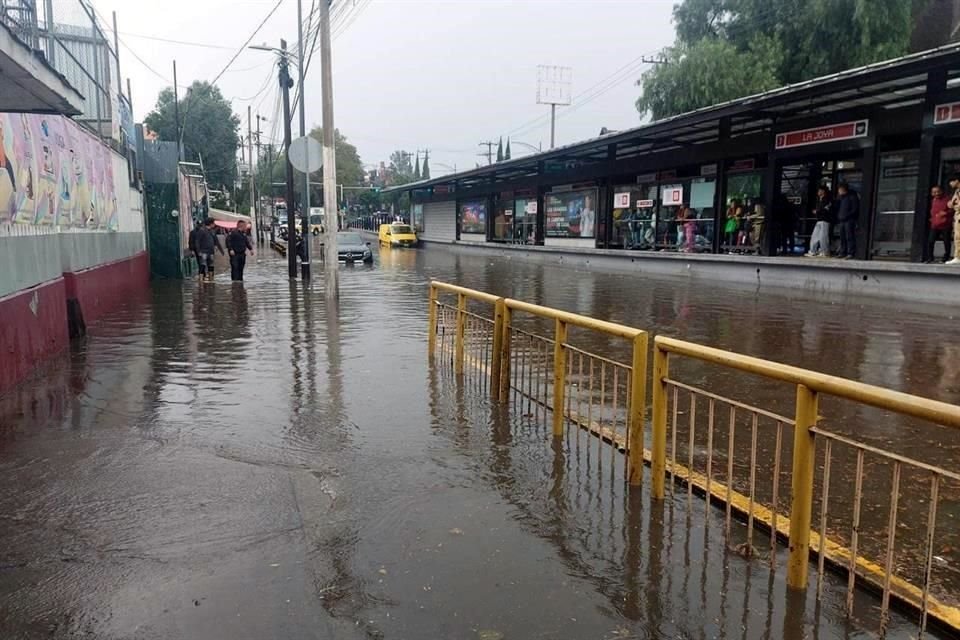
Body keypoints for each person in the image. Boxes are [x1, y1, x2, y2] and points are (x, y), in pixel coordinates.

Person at [926, 184, 952, 263]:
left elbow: (953, 210)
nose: (936, 193)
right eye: (934, 192)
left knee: (946, 241)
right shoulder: (933, 200)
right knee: (930, 241)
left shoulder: (947, 199)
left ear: (942, 191)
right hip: (935, 224)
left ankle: (946, 258)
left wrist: (946, 213)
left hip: (945, 224)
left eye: (938, 191)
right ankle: (930, 258)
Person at [835, 182, 860, 259]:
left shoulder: (852, 197)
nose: (838, 191)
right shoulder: (841, 198)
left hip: (849, 220)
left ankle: (850, 253)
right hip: (842, 220)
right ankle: (843, 252)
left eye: (839, 189)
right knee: (842, 237)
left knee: (849, 236)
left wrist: (847, 215)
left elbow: (855, 209)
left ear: (843, 189)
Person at [807, 185, 833, 257]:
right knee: (814, 236)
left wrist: (817, 211)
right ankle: (813, 251)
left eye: (819, 190)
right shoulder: (819, 200)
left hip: (825, 220)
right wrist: (817, 212)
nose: (818, 192)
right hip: (819, 220)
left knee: (823, 237)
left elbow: (826, 209)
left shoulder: (827, 200)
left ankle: (824, 252)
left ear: (823, 191)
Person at [195, 217, 224, 282]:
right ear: (210, 223)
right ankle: (201, 280)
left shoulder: (212, 231)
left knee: (211, 266)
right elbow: (197, 241)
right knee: (202, 265)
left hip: (211, 252)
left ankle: (211, 279)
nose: (214, 224)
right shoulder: (201, 231)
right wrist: (198, 251)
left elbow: (216, 241)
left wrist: (221, 251)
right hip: (203, 251)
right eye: (213, 223)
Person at [948, 175, 960, 265]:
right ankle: (957, 256)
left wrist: (954, 205)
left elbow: (957, 205)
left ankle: (958, 257)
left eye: (951, 182)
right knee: (957, 237)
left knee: (958, 237)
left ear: (956, 181)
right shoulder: (957, 191)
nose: (950, 184)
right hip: (957, 216)